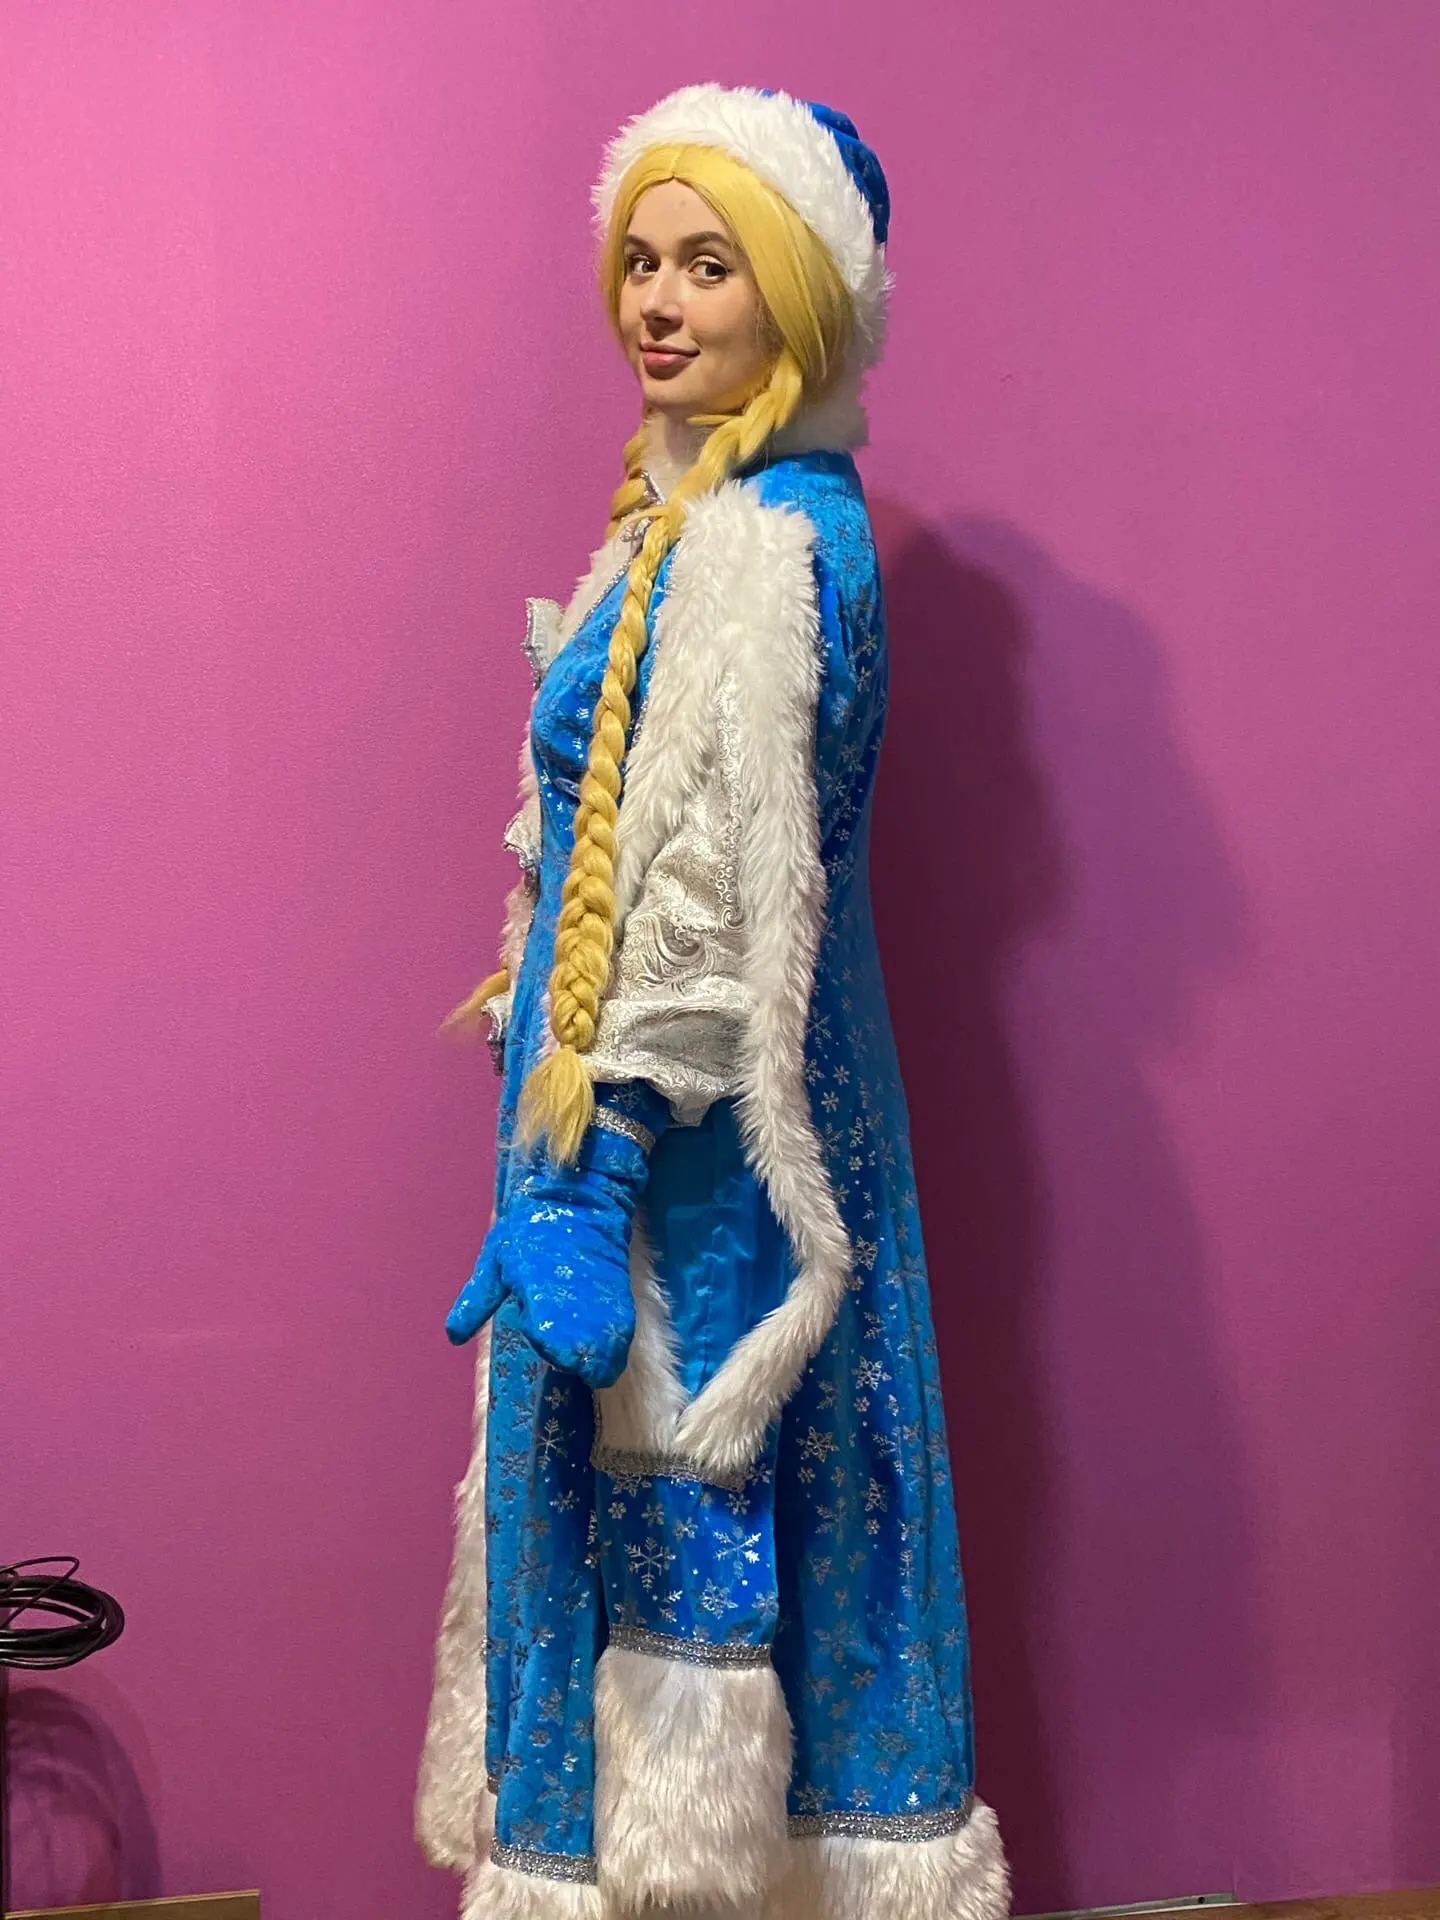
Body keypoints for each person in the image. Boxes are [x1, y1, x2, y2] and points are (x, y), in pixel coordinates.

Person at [416, 82, 1011, 1920]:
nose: (659, 303)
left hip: (693, 1174)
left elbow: (707, 912)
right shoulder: (710, 515)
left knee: (692, 1563)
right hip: (664, 1140)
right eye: (642, 262)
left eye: (710, 266)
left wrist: (591, 1177)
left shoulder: (763, 552)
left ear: (800, 299)